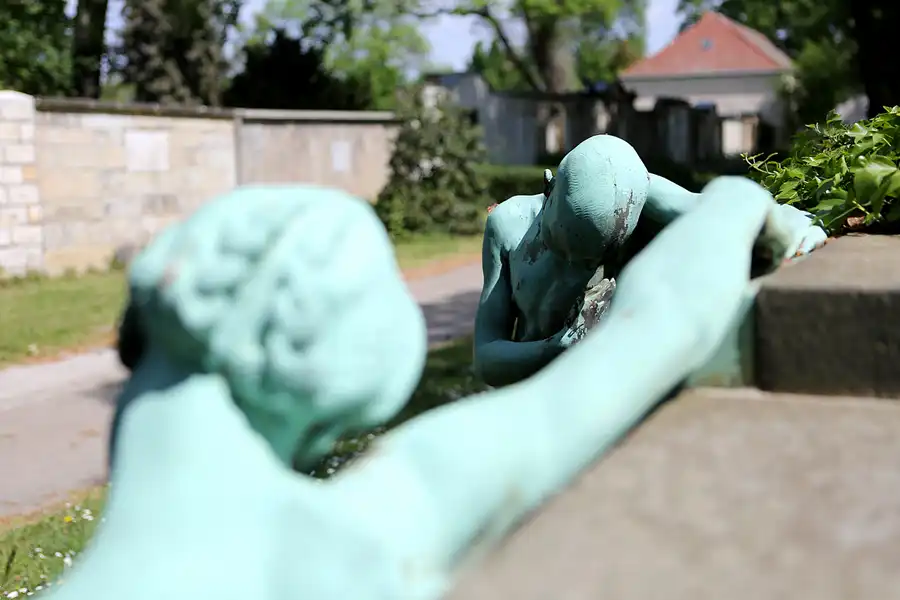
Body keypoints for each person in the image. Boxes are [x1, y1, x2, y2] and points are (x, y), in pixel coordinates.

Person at [473, 135, 826, 387]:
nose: (577, 270)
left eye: (594, 258)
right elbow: (486, 357)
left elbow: (730, 208)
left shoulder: (638, 192)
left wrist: (798, 226)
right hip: (532, 399)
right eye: (563, 248)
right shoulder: (508, 225)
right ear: (550, 189)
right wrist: (553, 349)